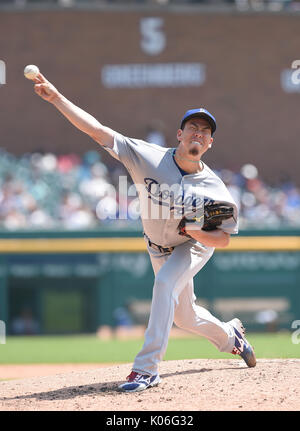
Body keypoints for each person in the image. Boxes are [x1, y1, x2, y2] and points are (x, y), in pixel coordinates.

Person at [32, 71, 256, 393]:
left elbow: (223, 238)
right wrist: (57, 99)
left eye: (205, 130)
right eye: (192, 126)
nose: (198, 132)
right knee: (185, 316)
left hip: (191, 245)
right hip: (157, 246)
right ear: (180, 134)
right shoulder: (149, 157)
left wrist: (194, 230)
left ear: (210, 143)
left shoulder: (215, 190)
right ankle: (230, 337)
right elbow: (97, 131)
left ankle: (146, 369)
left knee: (165, 283)